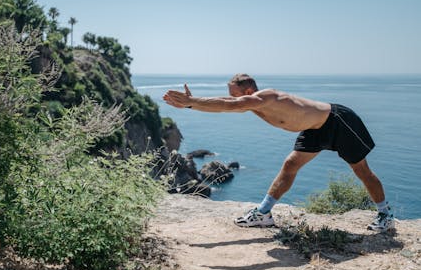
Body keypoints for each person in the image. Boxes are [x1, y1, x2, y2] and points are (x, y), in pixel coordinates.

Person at [163, 73, 394, 232]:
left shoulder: (267, 96)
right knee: (290, 165)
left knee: (361, 170)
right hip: (314, 129)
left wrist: (191, 101)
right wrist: (191, 104)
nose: (234, 98)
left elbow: (230, 105)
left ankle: (385, 215)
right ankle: (264, 213)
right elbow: (225, 102)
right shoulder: (253, 102)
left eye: (237, 94)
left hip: (338, 121)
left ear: (250, 90)